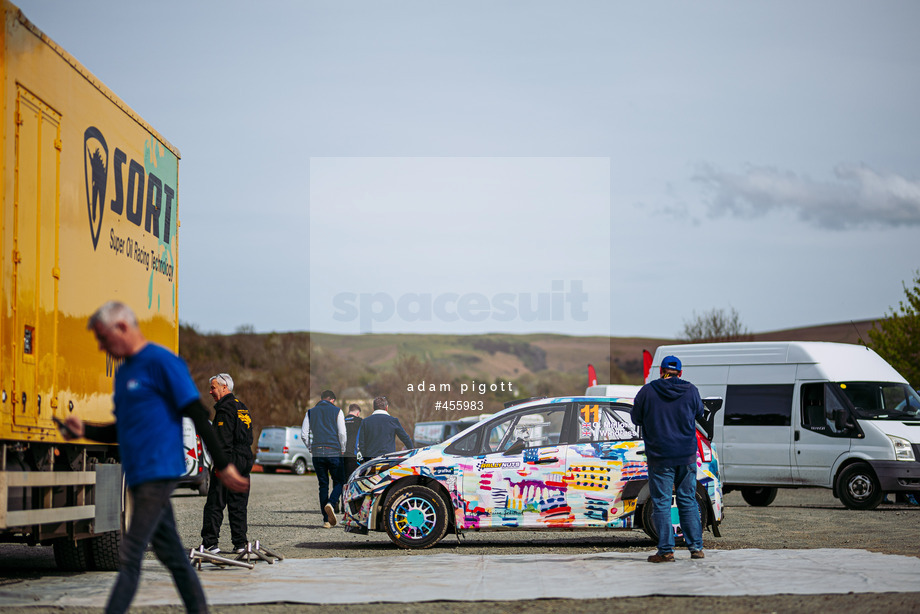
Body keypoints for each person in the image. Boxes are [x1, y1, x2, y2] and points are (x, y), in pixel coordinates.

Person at [63, 301, 248, 614]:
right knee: (173, 556)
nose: (100, 346)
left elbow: (198, 415)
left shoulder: (162, 362)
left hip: (157, 472)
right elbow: (120, 430)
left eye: (103, 338)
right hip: (136, 475)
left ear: (122, 327)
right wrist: (85, 429)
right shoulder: (124, 374)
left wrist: (223, 465)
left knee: (130, 553)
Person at [630, 354, 705, 563]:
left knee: (662, 502)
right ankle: (696, 548)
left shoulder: (647, 391)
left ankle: (666, 551)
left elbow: (635, 418)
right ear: (680, 373)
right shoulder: (691, 391)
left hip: (660, 457)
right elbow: (700, 413)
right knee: (688, 500)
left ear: (661, 370)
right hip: (686, 456)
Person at [199, 373, 254, 554]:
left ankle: (210, 543)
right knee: (238, 506)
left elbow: (222, 441)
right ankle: (240, 544)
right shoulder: (242, 407)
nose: (210, 392)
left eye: (213, 387)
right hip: (244, 462)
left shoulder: (225, 409)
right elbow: (249, 437)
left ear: (224, 387)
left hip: (229, 461)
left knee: (215, 502)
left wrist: (221, 465)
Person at [301, 390, 346, 528]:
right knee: (340, 481)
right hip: (333, 451)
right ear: (332, 400)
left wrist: (310, 447)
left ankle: (326, 520)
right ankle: (331, 503)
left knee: (323, 485)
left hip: (317, 453)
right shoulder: (337, 411)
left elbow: (304, 434)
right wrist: (342, 449)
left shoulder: (310, 412)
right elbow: (342, 433)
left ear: (321, 399)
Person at [357, 396, 413, 460]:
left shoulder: (365, 421)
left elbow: (361, 443)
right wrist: (411, 453)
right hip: (388, 459)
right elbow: (406, 438)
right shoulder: (393, 421)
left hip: (371, 460)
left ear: (373, 408)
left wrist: (366, 458)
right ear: (386, 408)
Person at [343, 404, 363, 479]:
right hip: (353, 454)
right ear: (358, 413)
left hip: (341, 453)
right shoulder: (360, 421)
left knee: (343, 479)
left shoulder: (342, 420)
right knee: (352, 478)